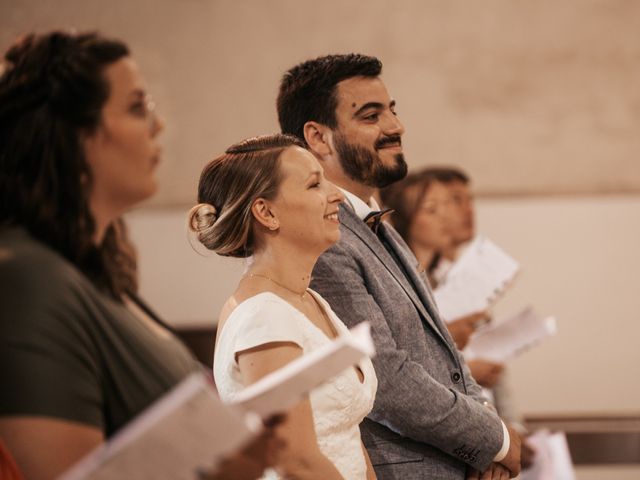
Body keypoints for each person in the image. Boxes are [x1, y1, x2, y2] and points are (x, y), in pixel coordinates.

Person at [0, 31, 276, 480]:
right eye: (136, 108)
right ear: (73, 132)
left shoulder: (95, 273)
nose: (158, 125)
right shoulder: (26, 278)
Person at [277, 53, 521, 479]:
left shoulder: (377, 224)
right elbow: (383, 375)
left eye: (392, 110)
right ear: (318, 137)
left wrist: (486, 439)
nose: (395, 127)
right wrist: (494, 439)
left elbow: (445, 357)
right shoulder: (325, 240)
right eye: (371, 116)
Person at [188, 134, 378, 480]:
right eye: (314, 184)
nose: (335, 194)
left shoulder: (309, 299)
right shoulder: (263, 315)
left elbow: (348, 437)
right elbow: (297, 461)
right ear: (267, 212)